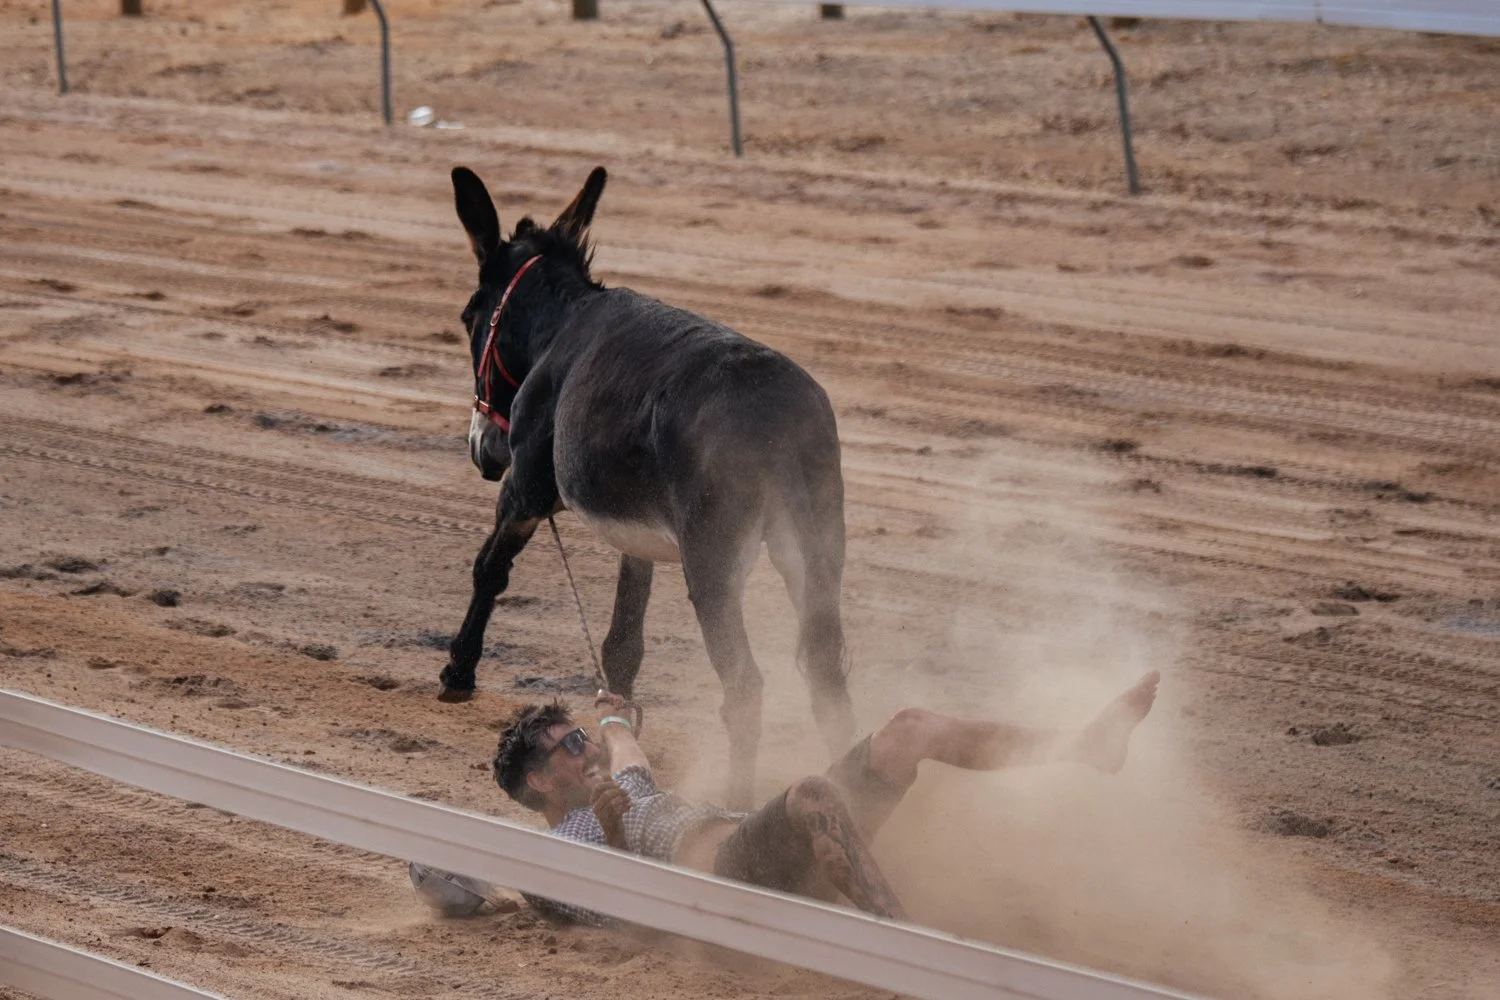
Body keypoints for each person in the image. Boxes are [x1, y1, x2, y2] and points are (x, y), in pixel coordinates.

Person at [484, 670, 1160, 926]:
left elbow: (627, 747)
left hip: (765, 847)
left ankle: (1083, 747)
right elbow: (611, 910)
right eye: (569, 748)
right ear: (538, 781)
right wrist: (619, 845)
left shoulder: (621, 783)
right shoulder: (559, 848)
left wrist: (609, 719)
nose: (588, 754)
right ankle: (902, 944)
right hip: (721, 887)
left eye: (581, 740)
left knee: (906, 729)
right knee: (811, 793)